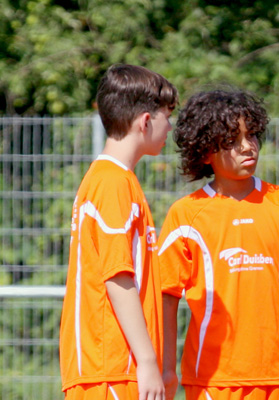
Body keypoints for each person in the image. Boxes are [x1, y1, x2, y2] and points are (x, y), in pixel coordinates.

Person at [155, 90, 279, 400]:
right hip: (211, 381)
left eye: (252, 135)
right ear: (205, 152)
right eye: (232, 141)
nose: (248, 147)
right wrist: (165, 367)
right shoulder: (186, 214)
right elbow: (166, 297)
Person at [60, 64, 176, 400]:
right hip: (111, 368)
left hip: (110, 368)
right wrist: (148, 360)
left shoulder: (113, 179)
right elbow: (117, 277)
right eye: (166, 116)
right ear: (144, 122)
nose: (169, 126)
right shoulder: (112, 183)